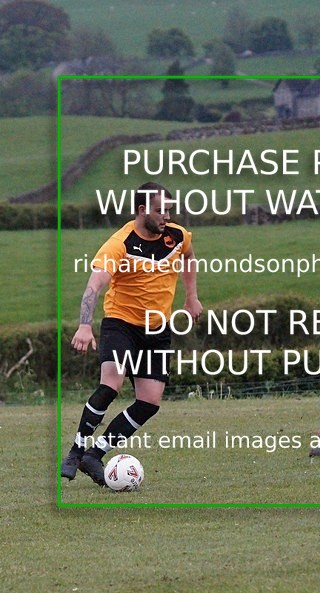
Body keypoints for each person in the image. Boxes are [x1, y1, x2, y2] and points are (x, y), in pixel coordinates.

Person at [60, 181, 202, 485]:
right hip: (121, 324)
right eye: (159, 210)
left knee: (149, 402)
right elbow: (94, 285)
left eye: (169, 210)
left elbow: (189, 257)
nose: (166, 216)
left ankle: (94, 455)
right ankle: (75, 450)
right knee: (111, 384)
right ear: (141, 210)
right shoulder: (119, 243)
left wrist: (191, 297)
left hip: (157, 329)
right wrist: (85, 325)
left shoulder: (177, 236)